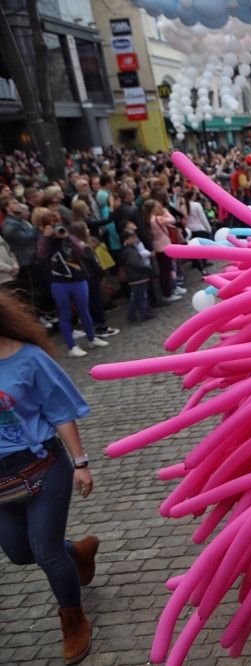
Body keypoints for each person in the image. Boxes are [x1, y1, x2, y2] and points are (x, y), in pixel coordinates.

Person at [0, 291, 98, 664]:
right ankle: (79, 551)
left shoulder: (29, 358)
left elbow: (59, 410)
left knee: (45, 550)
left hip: (42, 466)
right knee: (19, 552)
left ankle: (73, 621)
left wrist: (80, 462)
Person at [35, 211, 110, 358]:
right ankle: (71, 346)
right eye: (50, 224)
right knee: (65, 314)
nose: (54, 226)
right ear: (43, 227)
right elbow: (41, 257)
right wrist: (46, 237)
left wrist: (67, 236)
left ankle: (92, 338)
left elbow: (82, 251)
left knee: (84, 310)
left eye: (56, 222)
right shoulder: (43, 241)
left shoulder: (68, 237)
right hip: (59, 282)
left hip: (78, 278)